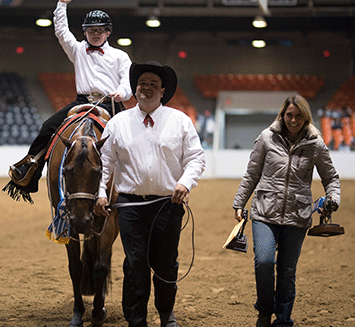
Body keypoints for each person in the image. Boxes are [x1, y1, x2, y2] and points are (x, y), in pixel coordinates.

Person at [94, 61, 205, 327]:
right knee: (135, 265)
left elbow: (196, 159)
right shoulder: (117, 123)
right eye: (142, 83)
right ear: (135, 88)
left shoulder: (180, 121)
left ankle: (166, 314)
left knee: (166, 264)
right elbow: (105, 163)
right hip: (130, 206)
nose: (146, 87)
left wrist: (185, 183)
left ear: (163, 90)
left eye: (153, 84)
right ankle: (136, 320)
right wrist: (100, 193)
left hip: (168, 204)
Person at [4, 0, 132, 202]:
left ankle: (133, 185)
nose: (96, 33)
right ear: (84, 32)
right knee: (48, 126)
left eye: (101, 30)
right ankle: (29, 167)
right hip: (82, 101)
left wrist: (122, 92)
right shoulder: (78, 50)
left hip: (111, 102)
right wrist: (61, 5)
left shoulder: (120, 56)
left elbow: (127, 80)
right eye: (92, 30)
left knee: (130, 138)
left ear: (108, 32)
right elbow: (62, 31)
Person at [231, 94, 341, 327]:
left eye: (298, 115)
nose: (293, 120)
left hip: (297, 216)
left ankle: (282, 319)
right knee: (264, 262)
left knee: (287, 271)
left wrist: (333, 198)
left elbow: (330, 177)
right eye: (289, 115)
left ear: (306, 117)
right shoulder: (266, 138)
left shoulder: (316, 144)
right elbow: (252, 174)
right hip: (264, 213)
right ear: (283, 115)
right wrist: (239, 203)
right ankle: (264, 309)